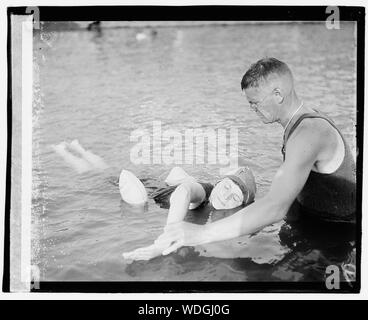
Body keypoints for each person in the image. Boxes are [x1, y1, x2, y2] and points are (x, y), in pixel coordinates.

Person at [143, 57, 356, 258]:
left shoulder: (308, 132)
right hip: (313, 229)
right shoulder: (301, 123)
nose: (252, 109)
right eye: (249, 103)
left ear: (278, 94)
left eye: (255, 102)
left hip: (334, 242)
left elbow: (275, 206)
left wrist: (200, 233)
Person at [122, 166, 257, 261]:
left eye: (234, 198)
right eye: (227, 187)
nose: (225, 196)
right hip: (153, 192)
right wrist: (164, 241)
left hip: (167, 189)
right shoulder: (205, 191)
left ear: (240, 206)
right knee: (139, 203)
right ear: (219, 182)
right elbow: (184, 192)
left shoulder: (230, 216)